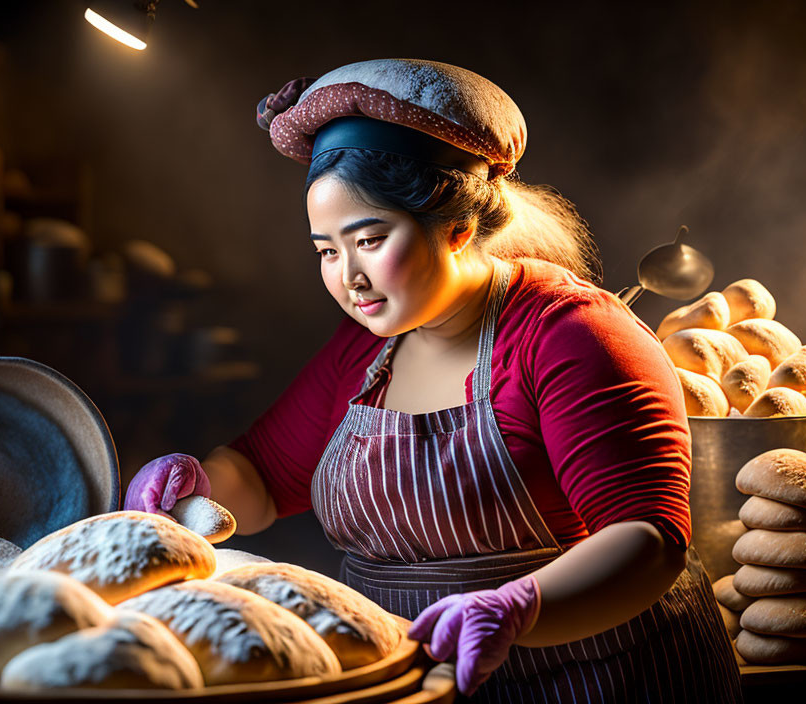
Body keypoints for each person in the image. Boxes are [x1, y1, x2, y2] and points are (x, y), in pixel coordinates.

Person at [125, 59, 742, 702]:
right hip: (419, 680)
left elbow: (647, 540)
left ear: (457, 229)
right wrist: (194, 483)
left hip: (599, 678)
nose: (349, 279)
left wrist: (519, 608)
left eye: (369, 239)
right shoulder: (363, 353)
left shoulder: (571, 334)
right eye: (327, 252)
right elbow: (258, 481)